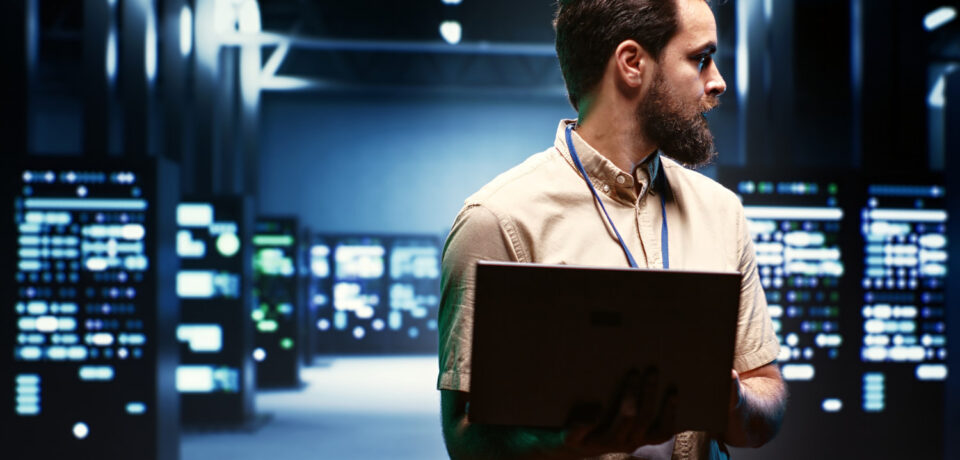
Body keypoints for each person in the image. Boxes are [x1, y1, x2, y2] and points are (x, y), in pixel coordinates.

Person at [436, 0, 787, 458]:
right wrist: (564, 441)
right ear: (632, 64)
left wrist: (735, 401)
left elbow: (766, 392)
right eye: (700, 58)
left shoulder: (720, 211)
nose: (717, 80)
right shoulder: (498, 220)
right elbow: (464, 441)